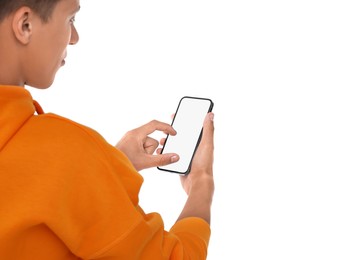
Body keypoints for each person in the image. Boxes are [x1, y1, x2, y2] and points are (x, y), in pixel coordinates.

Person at [0, 0, 215, 259]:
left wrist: (107, 166)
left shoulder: (64, 158)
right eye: (71, 19)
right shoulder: (68, 152)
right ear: (25, 25)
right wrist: (201, 184)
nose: (75, 38)